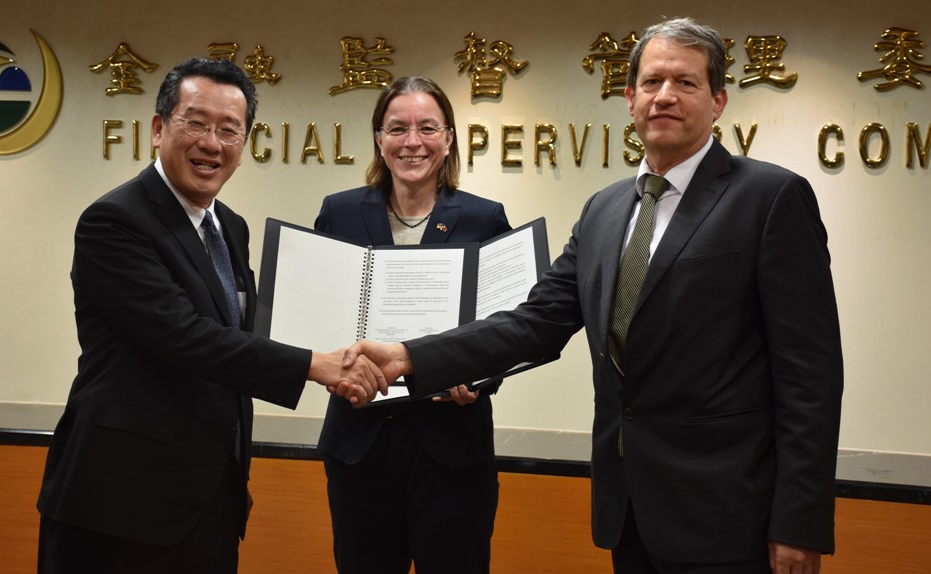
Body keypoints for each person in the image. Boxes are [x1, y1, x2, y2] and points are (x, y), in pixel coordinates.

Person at [343, 18, 843, 574]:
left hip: (732, 516)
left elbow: (810, 376)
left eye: (686, 83)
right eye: (651, 82)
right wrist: (412, 357)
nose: (665, 96)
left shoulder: (771, 198)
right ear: (629, 99)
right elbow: (533, 323)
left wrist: (799, 521)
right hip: (628, 511)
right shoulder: (604, 211)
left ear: (719, 100)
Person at [36, 58, 384, 574]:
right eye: (195, 123)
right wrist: (319, 364)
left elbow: (246, 335)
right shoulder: (115, 221)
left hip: (207, 504)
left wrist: (366, 356)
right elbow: (185, 337)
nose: (212, 143)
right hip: (118, 504)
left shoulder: (230, 227)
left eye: (229, 130)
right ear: (158, 129)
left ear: (244, 147)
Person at [317, 76, 510, 574]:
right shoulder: (338, 212)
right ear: (379, 139)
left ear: (448, 139)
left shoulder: (484, 219)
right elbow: (321, 314)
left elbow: (507, 324)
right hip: (360, 445)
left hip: (452, 448)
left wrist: (481, 379)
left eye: (427, 128)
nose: (412, 142)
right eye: (397, 128)